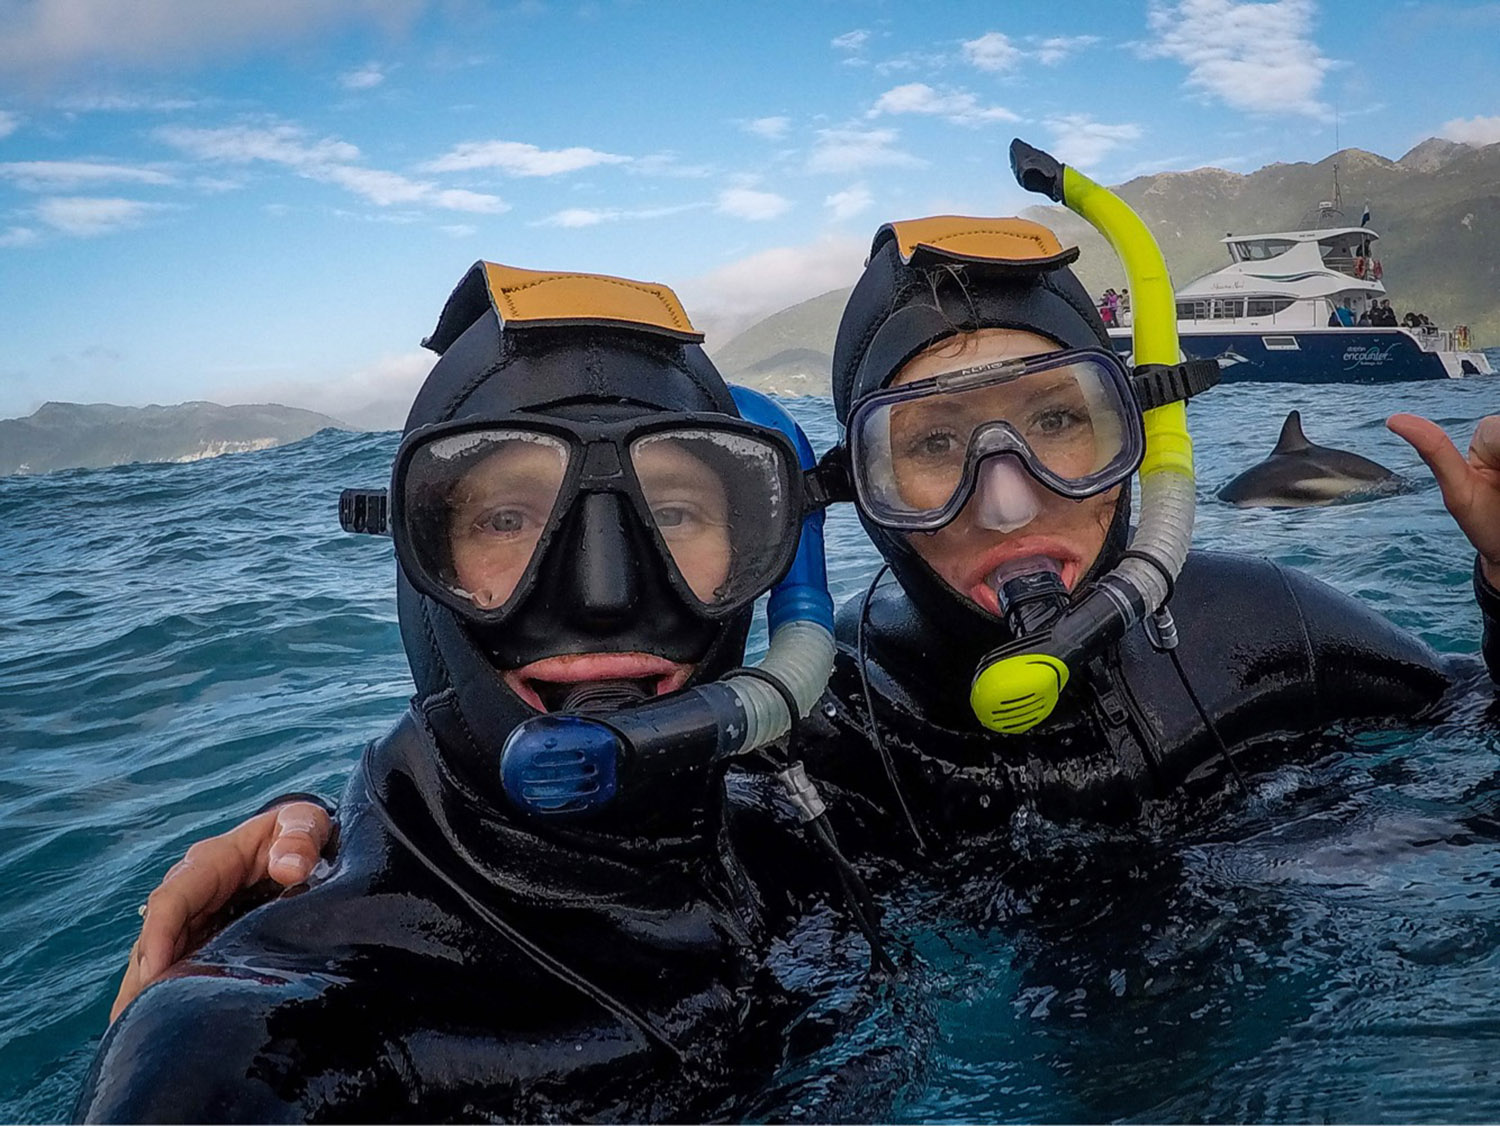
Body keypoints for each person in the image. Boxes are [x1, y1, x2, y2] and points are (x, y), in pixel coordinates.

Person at [111, 167, 1500, 1044]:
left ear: (1141, 433)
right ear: (847, 494)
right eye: (934, 447)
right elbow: (562, 809)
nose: (1008, 503)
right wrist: (321, 835)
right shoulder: (815, 748)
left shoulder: (1274, 629)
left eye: (1058, 426)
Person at [78, 260, 862, 1122]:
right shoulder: (261, 1045)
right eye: (506, 518)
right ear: (419, 568)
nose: (606, 593)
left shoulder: (807, 820)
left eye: (673, 513)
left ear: (762, 550)